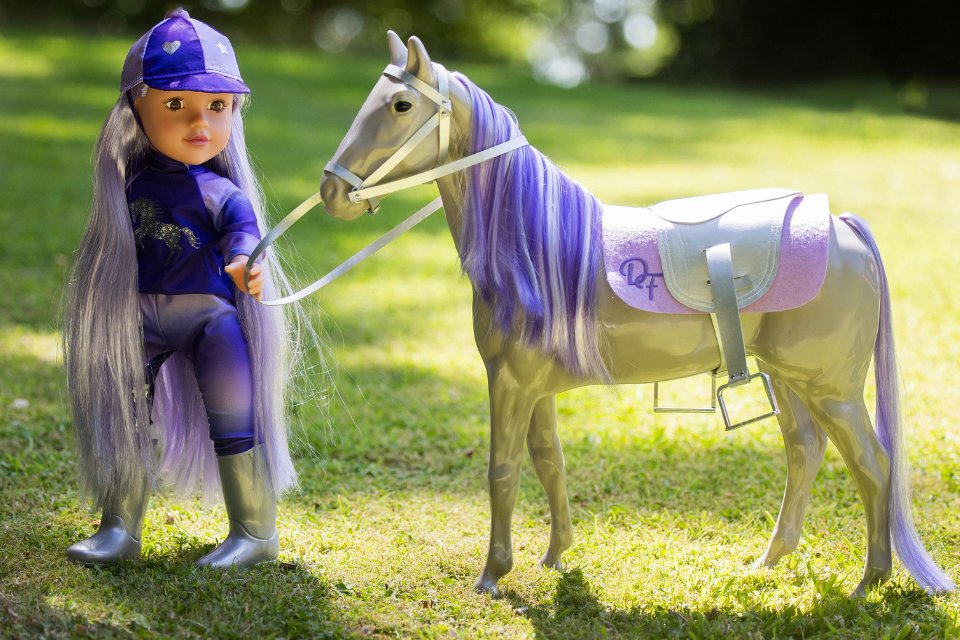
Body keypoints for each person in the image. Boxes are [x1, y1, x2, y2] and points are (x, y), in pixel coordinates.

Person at [64, 8, 299, 568]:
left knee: (235, 417)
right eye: (176, 105)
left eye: (217, 107)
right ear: (136, 108)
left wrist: (245, 265)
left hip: (211, 319)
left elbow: (243, 237)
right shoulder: (128, 185)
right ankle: (119, 526)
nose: (201, 124)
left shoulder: (224, 193)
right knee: (123, 414)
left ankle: (255, 530)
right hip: (137, 317)